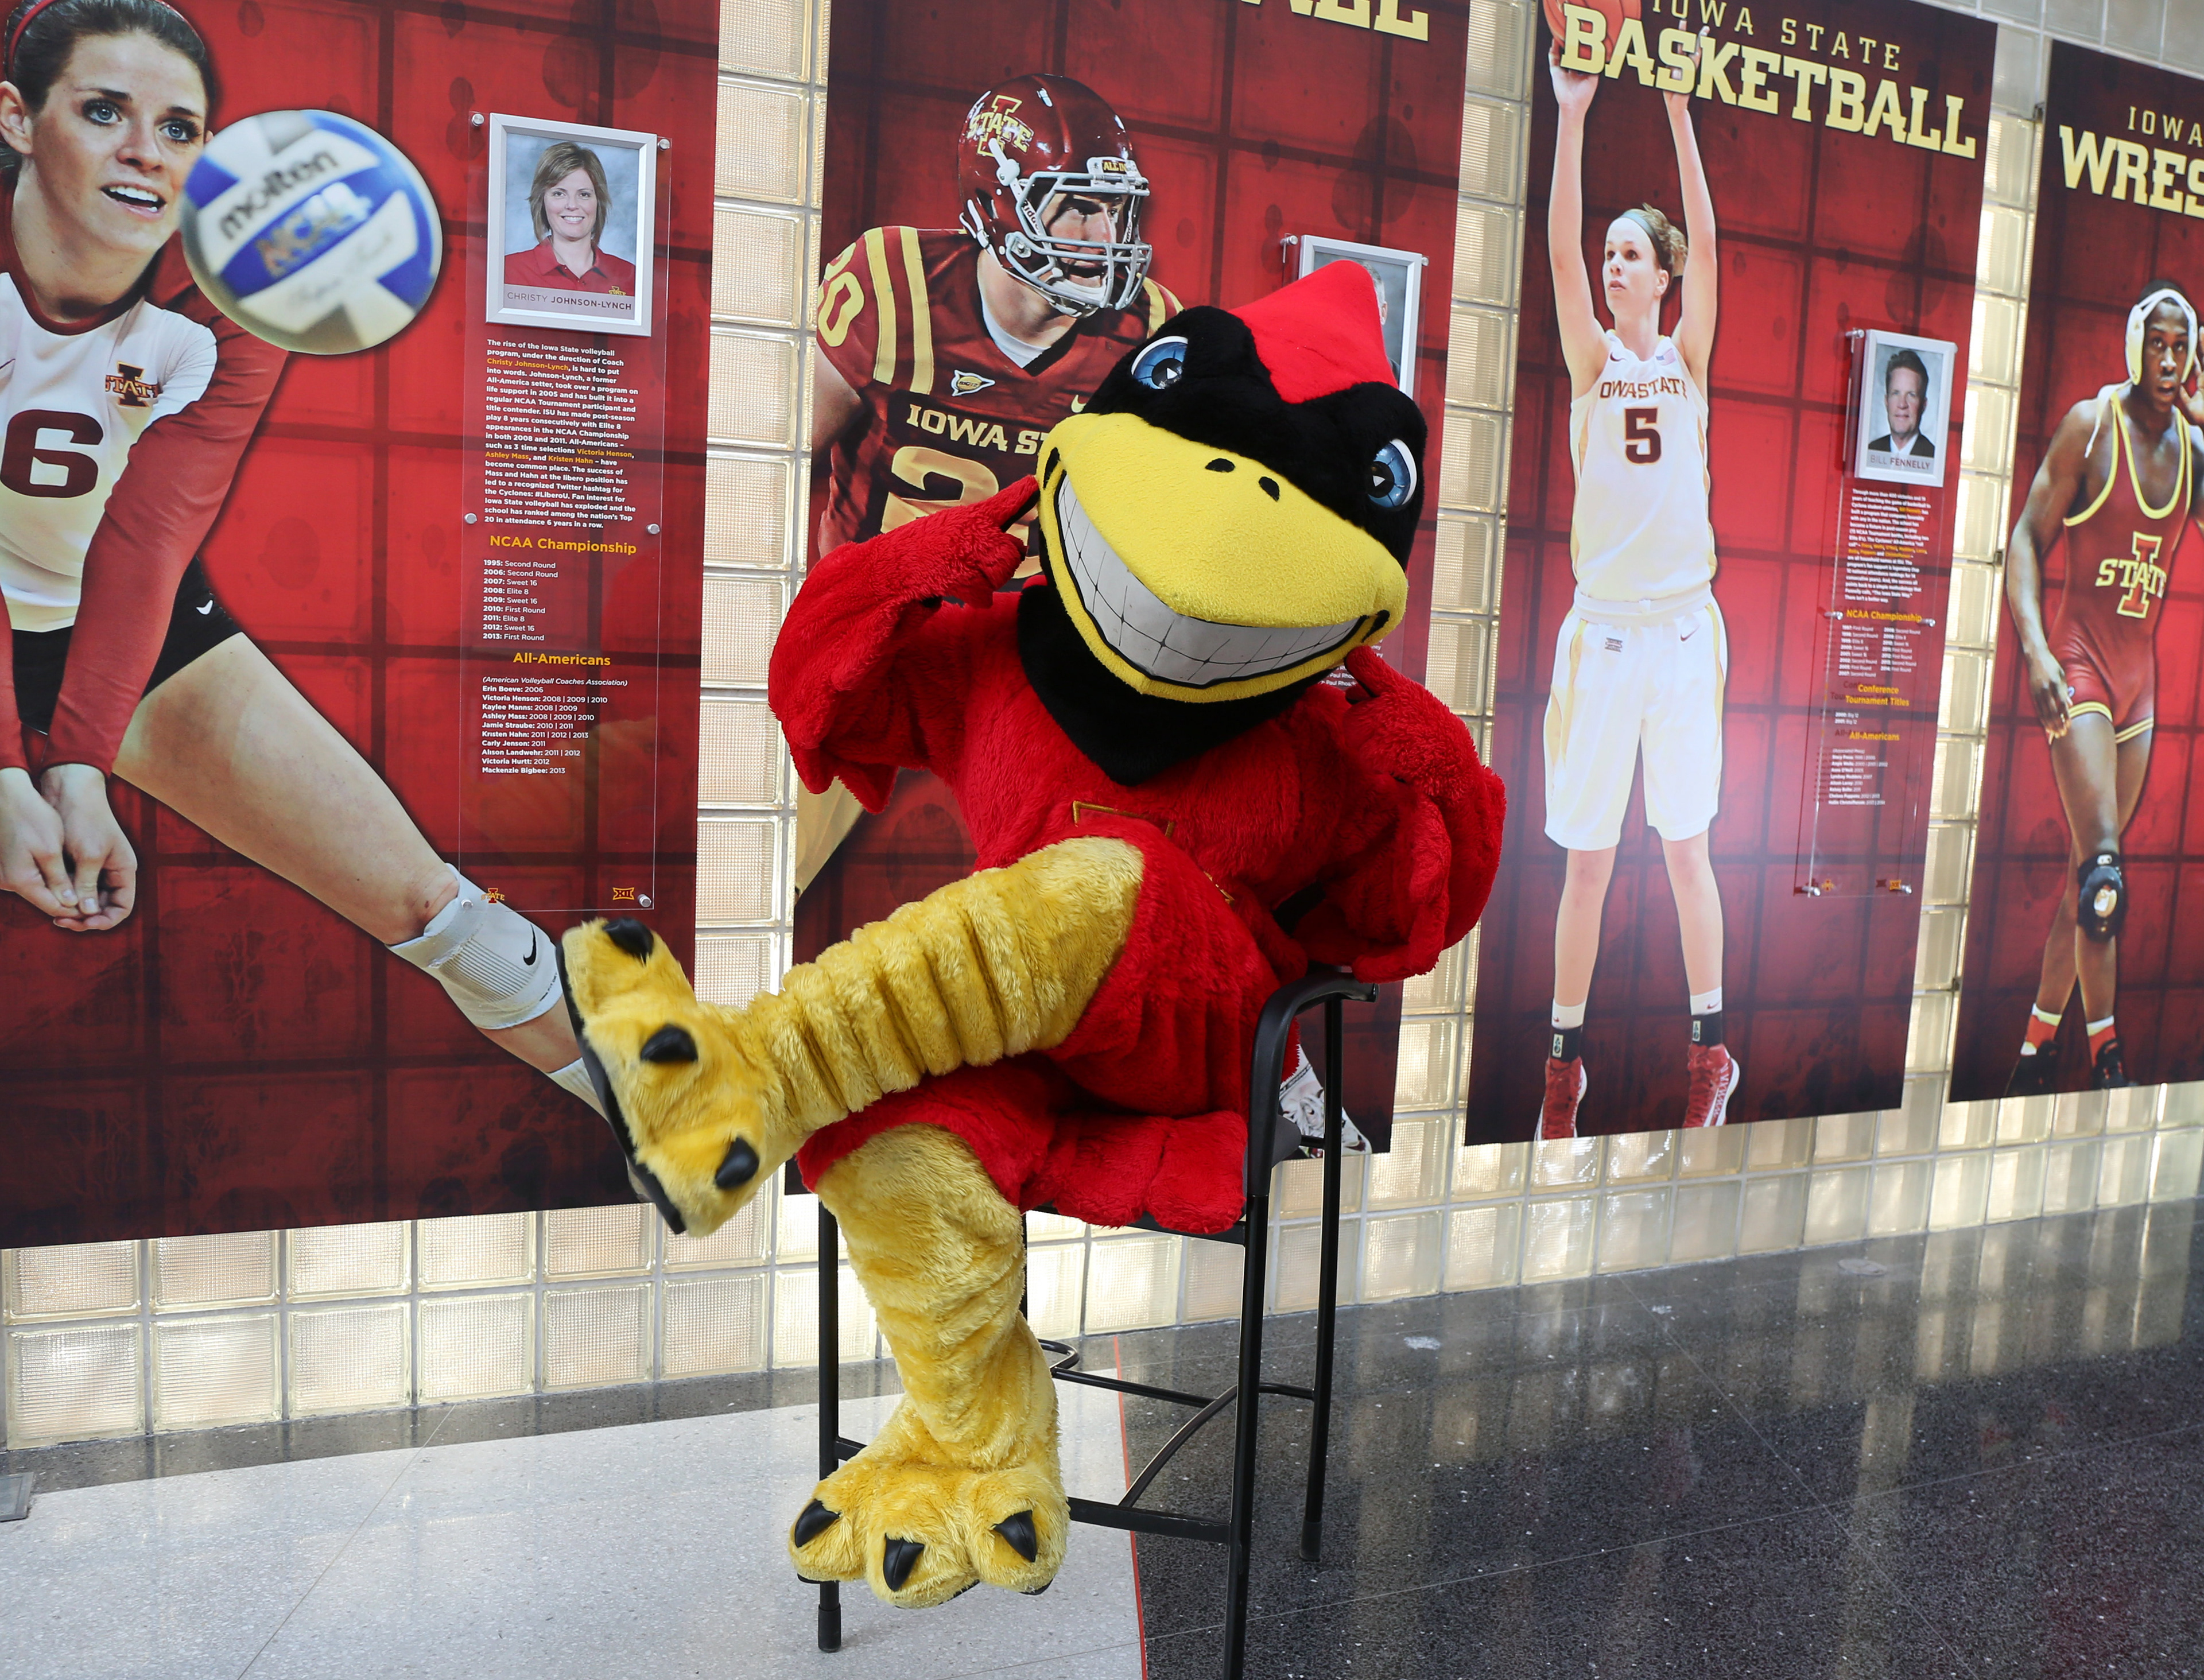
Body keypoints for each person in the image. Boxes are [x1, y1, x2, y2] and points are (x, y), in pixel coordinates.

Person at [0, 0, 597, 1108]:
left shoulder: (234, 288)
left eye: (179, 129)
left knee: (451, 920)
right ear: (20, 119)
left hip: (102, 608)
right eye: (102, 111)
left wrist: (75, 757)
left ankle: (701, 1137)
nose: (146, 152)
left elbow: (153, 528)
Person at [798, 72, 1181, 900]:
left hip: (1025, 658)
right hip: (875, 634)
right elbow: (782, 453)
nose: (1101, 232)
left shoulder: (1147, 331)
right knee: (770, 850)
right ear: (999, 203)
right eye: (1074, 206)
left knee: (1067, 900)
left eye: (1114, 209)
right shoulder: (894, 286)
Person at [1536, 32, 1737, 1139]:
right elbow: (1557, 258)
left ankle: (1710, 1050)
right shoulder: (1593, 362)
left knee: (1686, 852)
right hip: (1605, 635)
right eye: (1607, 256)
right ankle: (1563, 1069)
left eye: (1629, 255)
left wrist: (1672, 107)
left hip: (1681, 637)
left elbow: (1707, 235)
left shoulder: (1685, 361)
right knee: (1587, 866)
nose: (1611, 267)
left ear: (1661, 278)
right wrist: (1572, 113)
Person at [1999, 282, 2204, 1095]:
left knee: (2087, 874)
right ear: (2133, 345)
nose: (2166, 360)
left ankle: (2033, 1048)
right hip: (2078, 669)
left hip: (2139, 688)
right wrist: (2036, 650)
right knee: (2104, 883)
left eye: (2180, 347)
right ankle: (2108, 1057)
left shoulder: (2192, 452)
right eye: (2155, 344)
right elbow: (2024, 536)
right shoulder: (2093, 425)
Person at [501, 138, 636, 298]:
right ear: (542, 201)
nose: (572, 205)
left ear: (598, 202)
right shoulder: (509, 272)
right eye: (559, 194)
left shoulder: (630, 276)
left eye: (584, 195)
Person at [1868, 348, 1935, 457]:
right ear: (1886, 402)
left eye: (1911, 395)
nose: (1902, 404)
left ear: (1924, 405)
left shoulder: (1934, 457)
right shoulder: (1870, 451)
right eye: (1896, 393)